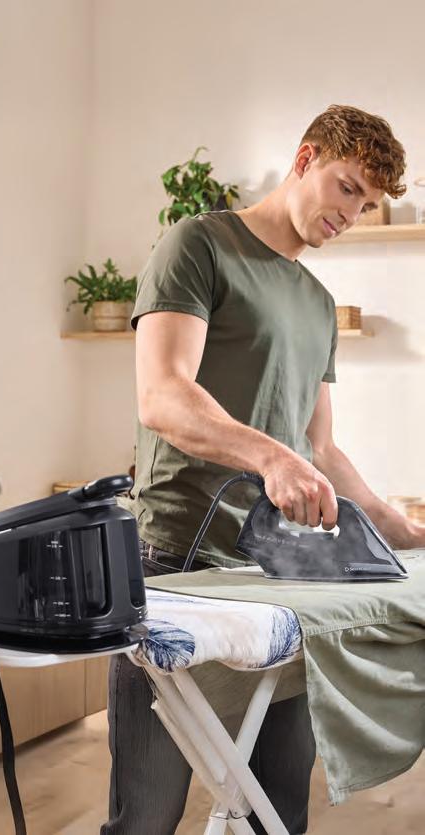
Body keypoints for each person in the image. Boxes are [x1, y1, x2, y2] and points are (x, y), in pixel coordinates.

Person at [101, 105, 425, 835]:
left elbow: (322, 450)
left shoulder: (316, 303)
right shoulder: (199, 244)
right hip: (174, 558)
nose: (351, 214)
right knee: (147, 812)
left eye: (366, 205)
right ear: (306, 158)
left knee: (276, 806)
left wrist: (394, 524)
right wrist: (272, 456)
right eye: (347, 188)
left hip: (274, 571)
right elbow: (163, 395)